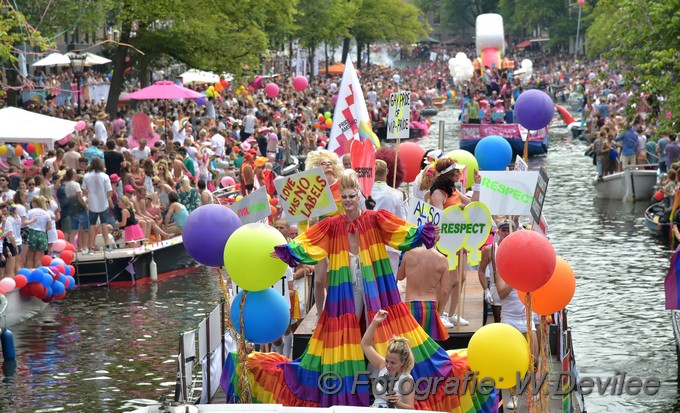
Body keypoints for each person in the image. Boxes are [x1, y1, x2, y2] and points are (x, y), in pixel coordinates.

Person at [249, 170, 467, 409]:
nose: (348, 200)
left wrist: (422, 233)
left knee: (382, 327)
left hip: (374, 283)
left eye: (352, 195)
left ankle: (379, 382)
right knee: (345, 331)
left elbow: (400, 231)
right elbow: (309, 241)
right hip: (344, 287)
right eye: (344, 196)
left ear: (359, 197)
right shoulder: (332, 225)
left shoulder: (375, 218)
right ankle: (349, 387)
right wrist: (288, 251)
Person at [428, 157, 481, 327]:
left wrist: (478, 186)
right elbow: (440, 217)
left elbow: (473, 204)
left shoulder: (454, 191)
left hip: (459, 239)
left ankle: (451, 314)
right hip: (446, 242)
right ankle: (440, 313)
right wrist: (458, 210)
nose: (460, 173)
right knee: (449, 280)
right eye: (457, 171)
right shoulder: (437, 193)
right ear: (449, 174)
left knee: (461, 278)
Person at [361, 310, 415, 409]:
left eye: (393, 363)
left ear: (402, 362)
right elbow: (365, 345)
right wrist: (375, 322)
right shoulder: (382, 366)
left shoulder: (406, 379)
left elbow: (411, 409)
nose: (388, 365)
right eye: (387, 360)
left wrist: (397, 402)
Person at [397, 245, 451, 338]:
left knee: (411, 343)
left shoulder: (409, 254)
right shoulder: (442, 259)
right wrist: (440, 311)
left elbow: (400, 276)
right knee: (429, 344)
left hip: (411, 304)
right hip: (430, 305)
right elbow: (444, 291)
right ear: (437, 238)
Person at [477, 218, 515, 324]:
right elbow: (481, 271)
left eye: (509, 230)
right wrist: (486, 290)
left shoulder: (518, 248)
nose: (506, 233)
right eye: (504, 230)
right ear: (498, 231)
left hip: (514, 288)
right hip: (495, 287)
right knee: (499, 322)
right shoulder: (489, 249)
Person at [82, 158, 114, 252]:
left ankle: (91, 245)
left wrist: (90, 195)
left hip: (92, 203)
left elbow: (84, 190)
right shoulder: (104, 176)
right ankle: (107, 244)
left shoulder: (87, 176)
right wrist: (105, 197)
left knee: (92, 224)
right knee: (104, 223)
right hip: (103, 203)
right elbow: (109, 191)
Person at [25, 196, 52, 268]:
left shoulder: (30, 212)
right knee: (39, 258)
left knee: (30, 257)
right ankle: (37, 272)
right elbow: (49, 227)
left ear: (34, 203)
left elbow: (26, 223)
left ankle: (30, 273)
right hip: (42, 234)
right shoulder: (46, 213)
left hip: (31, 233)